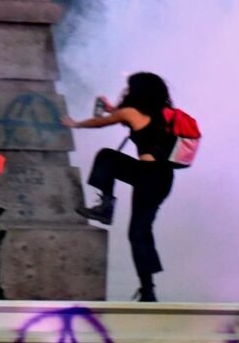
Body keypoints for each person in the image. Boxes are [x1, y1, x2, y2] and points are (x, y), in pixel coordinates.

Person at [62, 72, 177, 302]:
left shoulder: (131, 112)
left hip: (147, 177)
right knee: (140, 232)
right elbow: (123, 115)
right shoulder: (162, 114)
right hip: (163, 178)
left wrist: (76, 124)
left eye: (129, 87)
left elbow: (100, 122)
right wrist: (111, 107)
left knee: (138, 231)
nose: (126, 90)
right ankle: (148, 290)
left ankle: (106, 206)